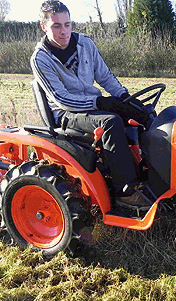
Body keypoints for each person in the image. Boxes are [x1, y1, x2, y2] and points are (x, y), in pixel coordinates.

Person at [31, 0, 149, 209]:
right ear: (44, 27)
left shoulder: (85, 44)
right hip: (66, 114)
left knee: (143, 116)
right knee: (111, 122)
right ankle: (126, 192)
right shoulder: (41, 58)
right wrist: (101, 101)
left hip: (92, 106)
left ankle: (151, 176)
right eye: (56, 26)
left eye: (67, 25)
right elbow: (61, 99)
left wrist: (125, 98)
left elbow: (105, 77)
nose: (63, 32)